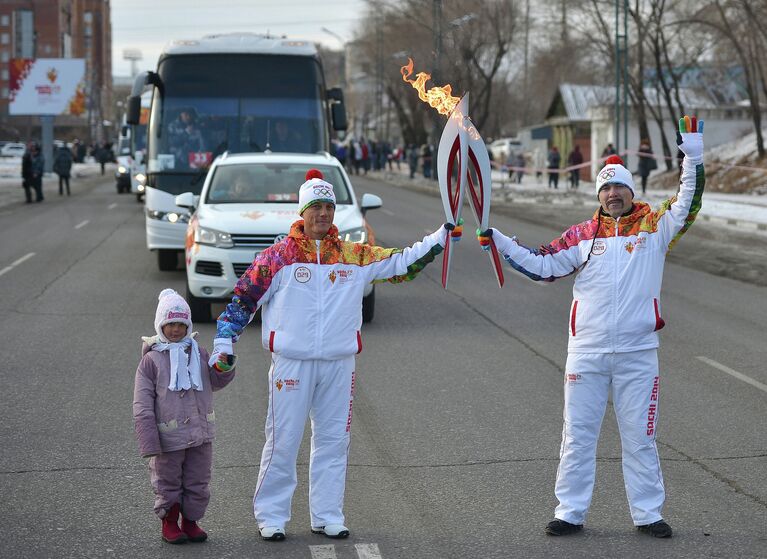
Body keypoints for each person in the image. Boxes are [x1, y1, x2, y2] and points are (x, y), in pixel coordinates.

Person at [477, 116, 705, 539]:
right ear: (598, 194)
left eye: (618, 186)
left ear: (630, 191)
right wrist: (501, 240)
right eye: (605, 188)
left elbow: (688, 201)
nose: (612, 194)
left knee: (640, 437)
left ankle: (648, 514)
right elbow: (543, 266)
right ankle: (570, 512)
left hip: (638, 353)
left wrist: (692, 156)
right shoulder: (582, 236)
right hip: (587, 352)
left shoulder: (654, 227)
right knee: (578, 435)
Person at [210, 169, 459, 542]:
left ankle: (327, 514)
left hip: (339, 362)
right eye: (316, 207)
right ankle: (272, 516)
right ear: (303, 211)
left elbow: (402, 263)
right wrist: (224, 341)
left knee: (333, 440)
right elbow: (244, 299)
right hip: (292, 362)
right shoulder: (279, 257)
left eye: (329, 206)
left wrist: (440, 238)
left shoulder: (353, 257)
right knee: (283, 438)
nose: (323, 214)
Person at [133, 289, 236, 544]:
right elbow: (142, 405)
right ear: (161, 325)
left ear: (188, 325)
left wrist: (225, 366)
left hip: (200, 434)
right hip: (168, 438)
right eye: (170, 324)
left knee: (198, 481)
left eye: (181, 324)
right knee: (167, 481)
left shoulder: (198, 353)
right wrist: (149, 441)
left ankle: (191, 522)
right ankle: (169, 522)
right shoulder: (151, 361)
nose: (176, 330)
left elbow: (214, 381)